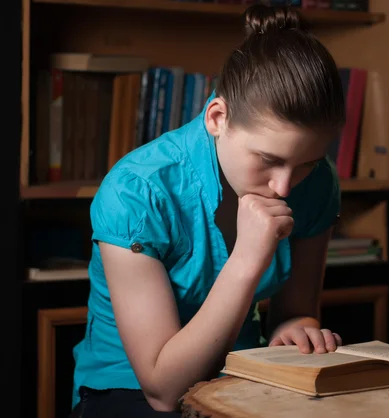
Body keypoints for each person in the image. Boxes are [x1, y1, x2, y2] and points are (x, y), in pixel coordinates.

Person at [68, 3, 346, 417]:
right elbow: (164, 390)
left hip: (243, 376)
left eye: (305, 162)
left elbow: (294, 311)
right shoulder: (136, 192)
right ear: (217, 117)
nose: (285, 186)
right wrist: (247, 259)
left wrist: (297, 331)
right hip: (129, 391)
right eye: (267, 159)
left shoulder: (318, 182)